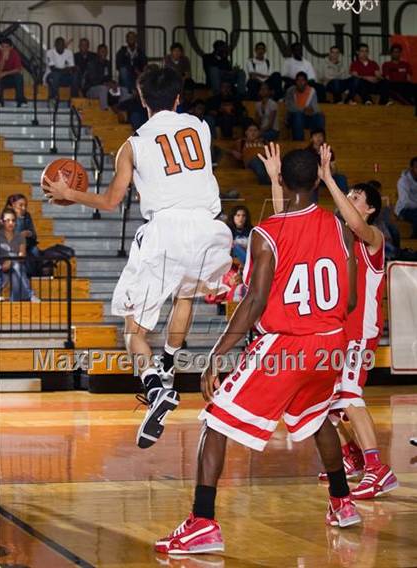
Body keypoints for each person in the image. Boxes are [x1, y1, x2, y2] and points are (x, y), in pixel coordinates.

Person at [155, 146, 361, 555]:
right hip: (331, 344)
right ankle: (342, 501)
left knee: (215, 420)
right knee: (317, 418)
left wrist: (217, 354)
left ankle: (202, 522)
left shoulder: (266, 234)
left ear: (281, 182)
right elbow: (351, 300)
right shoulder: (341, 229)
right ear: (319, 180)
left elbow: (253, 303)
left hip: (287, 345)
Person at [42, 66, 233, 449]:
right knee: (185, 296)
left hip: (165, 230)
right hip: (210, 228)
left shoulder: (133, 144)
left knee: (133, 331)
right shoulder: (200, 127)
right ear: (179, 98)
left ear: (141, 100)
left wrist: (71, 192)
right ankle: (168, 364)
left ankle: (154, 386)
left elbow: (112, 201)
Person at [319, 149, 399, 500]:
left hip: (359, 334)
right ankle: (353, 457)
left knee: (350, 396)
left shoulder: (374, 238)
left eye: (355, 197)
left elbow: (354, 222)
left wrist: (328, 180)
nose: (349, 200)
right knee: (324, 404)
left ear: (368, 209)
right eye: (348, 194)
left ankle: (379, 470)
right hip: (338, 332)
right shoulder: (341, 239)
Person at [0, 207, 38, 302]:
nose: (11, 223)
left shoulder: (20, 237)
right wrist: (4, 263)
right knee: (16, 266)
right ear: (1, 221)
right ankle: (29, 295)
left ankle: (15, 299)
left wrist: (10, 260)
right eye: (7, 220)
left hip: (14, 267)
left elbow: (22, 256)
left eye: (13, 220)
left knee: (16, 266)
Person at [5, 194, 40, 276]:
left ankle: (32, 275)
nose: (24, 208)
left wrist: (29, 233)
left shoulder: (27, 215)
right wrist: (19, 218)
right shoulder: (7, 216)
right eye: (21, 205)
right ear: (13, 205)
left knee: (35, 251)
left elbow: (34, 234)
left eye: (25, 205)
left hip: (27, 244)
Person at [84, 44, 128, 111]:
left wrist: (114, 84)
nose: (104, 53)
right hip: (91, 90)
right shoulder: (92, 63)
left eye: (105, 51)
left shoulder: (107, 63)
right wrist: (106, 84)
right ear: (98, 52)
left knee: (124, 90)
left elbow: (108, 78)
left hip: (106, 87)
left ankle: (120, 110)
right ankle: (105, 110)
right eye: (102, 51)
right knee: (103, 88)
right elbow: (93, 81)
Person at [306, 128, 348, 194]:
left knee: (341, 178)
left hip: (327, 175)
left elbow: (334, 167)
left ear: (324, 138)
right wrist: (318, 178)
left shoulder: (328, 150)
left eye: (320, 136)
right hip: (314, 177)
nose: (318, 138)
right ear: (311, 138)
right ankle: (313, 203)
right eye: (316, 136)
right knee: (310, 182)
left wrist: (328, 176)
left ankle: (345, 199)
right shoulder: (307, 151)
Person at [285, 72, 325, 141]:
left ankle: (318, 141)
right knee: (298, 115)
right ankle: (299, 142)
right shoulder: (290, 91)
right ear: (295, 82)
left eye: (302, 80)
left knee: (320, 116)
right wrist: (303, 110)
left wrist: (313, 111)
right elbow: (290, 107)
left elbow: (315, 107)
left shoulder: (312, 91)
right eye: (298, 80)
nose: (300, 82)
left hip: (308, 117)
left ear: (306, 82)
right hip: (293, 118)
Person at [0, 38, 27, 107]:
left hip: (11, 78)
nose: (4, 49)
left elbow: (18, 69)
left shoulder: (14, 53)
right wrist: (3, 59)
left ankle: (20, 101)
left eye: (6, 47)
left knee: (19, 76)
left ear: (11, 47)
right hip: (1, 79)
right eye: (2, 47)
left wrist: (5, 73)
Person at [395, 156, 417, 238]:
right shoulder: (403, 181)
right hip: (403, 209)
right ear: (411, 168)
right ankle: (414, 241)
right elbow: (405, 202)